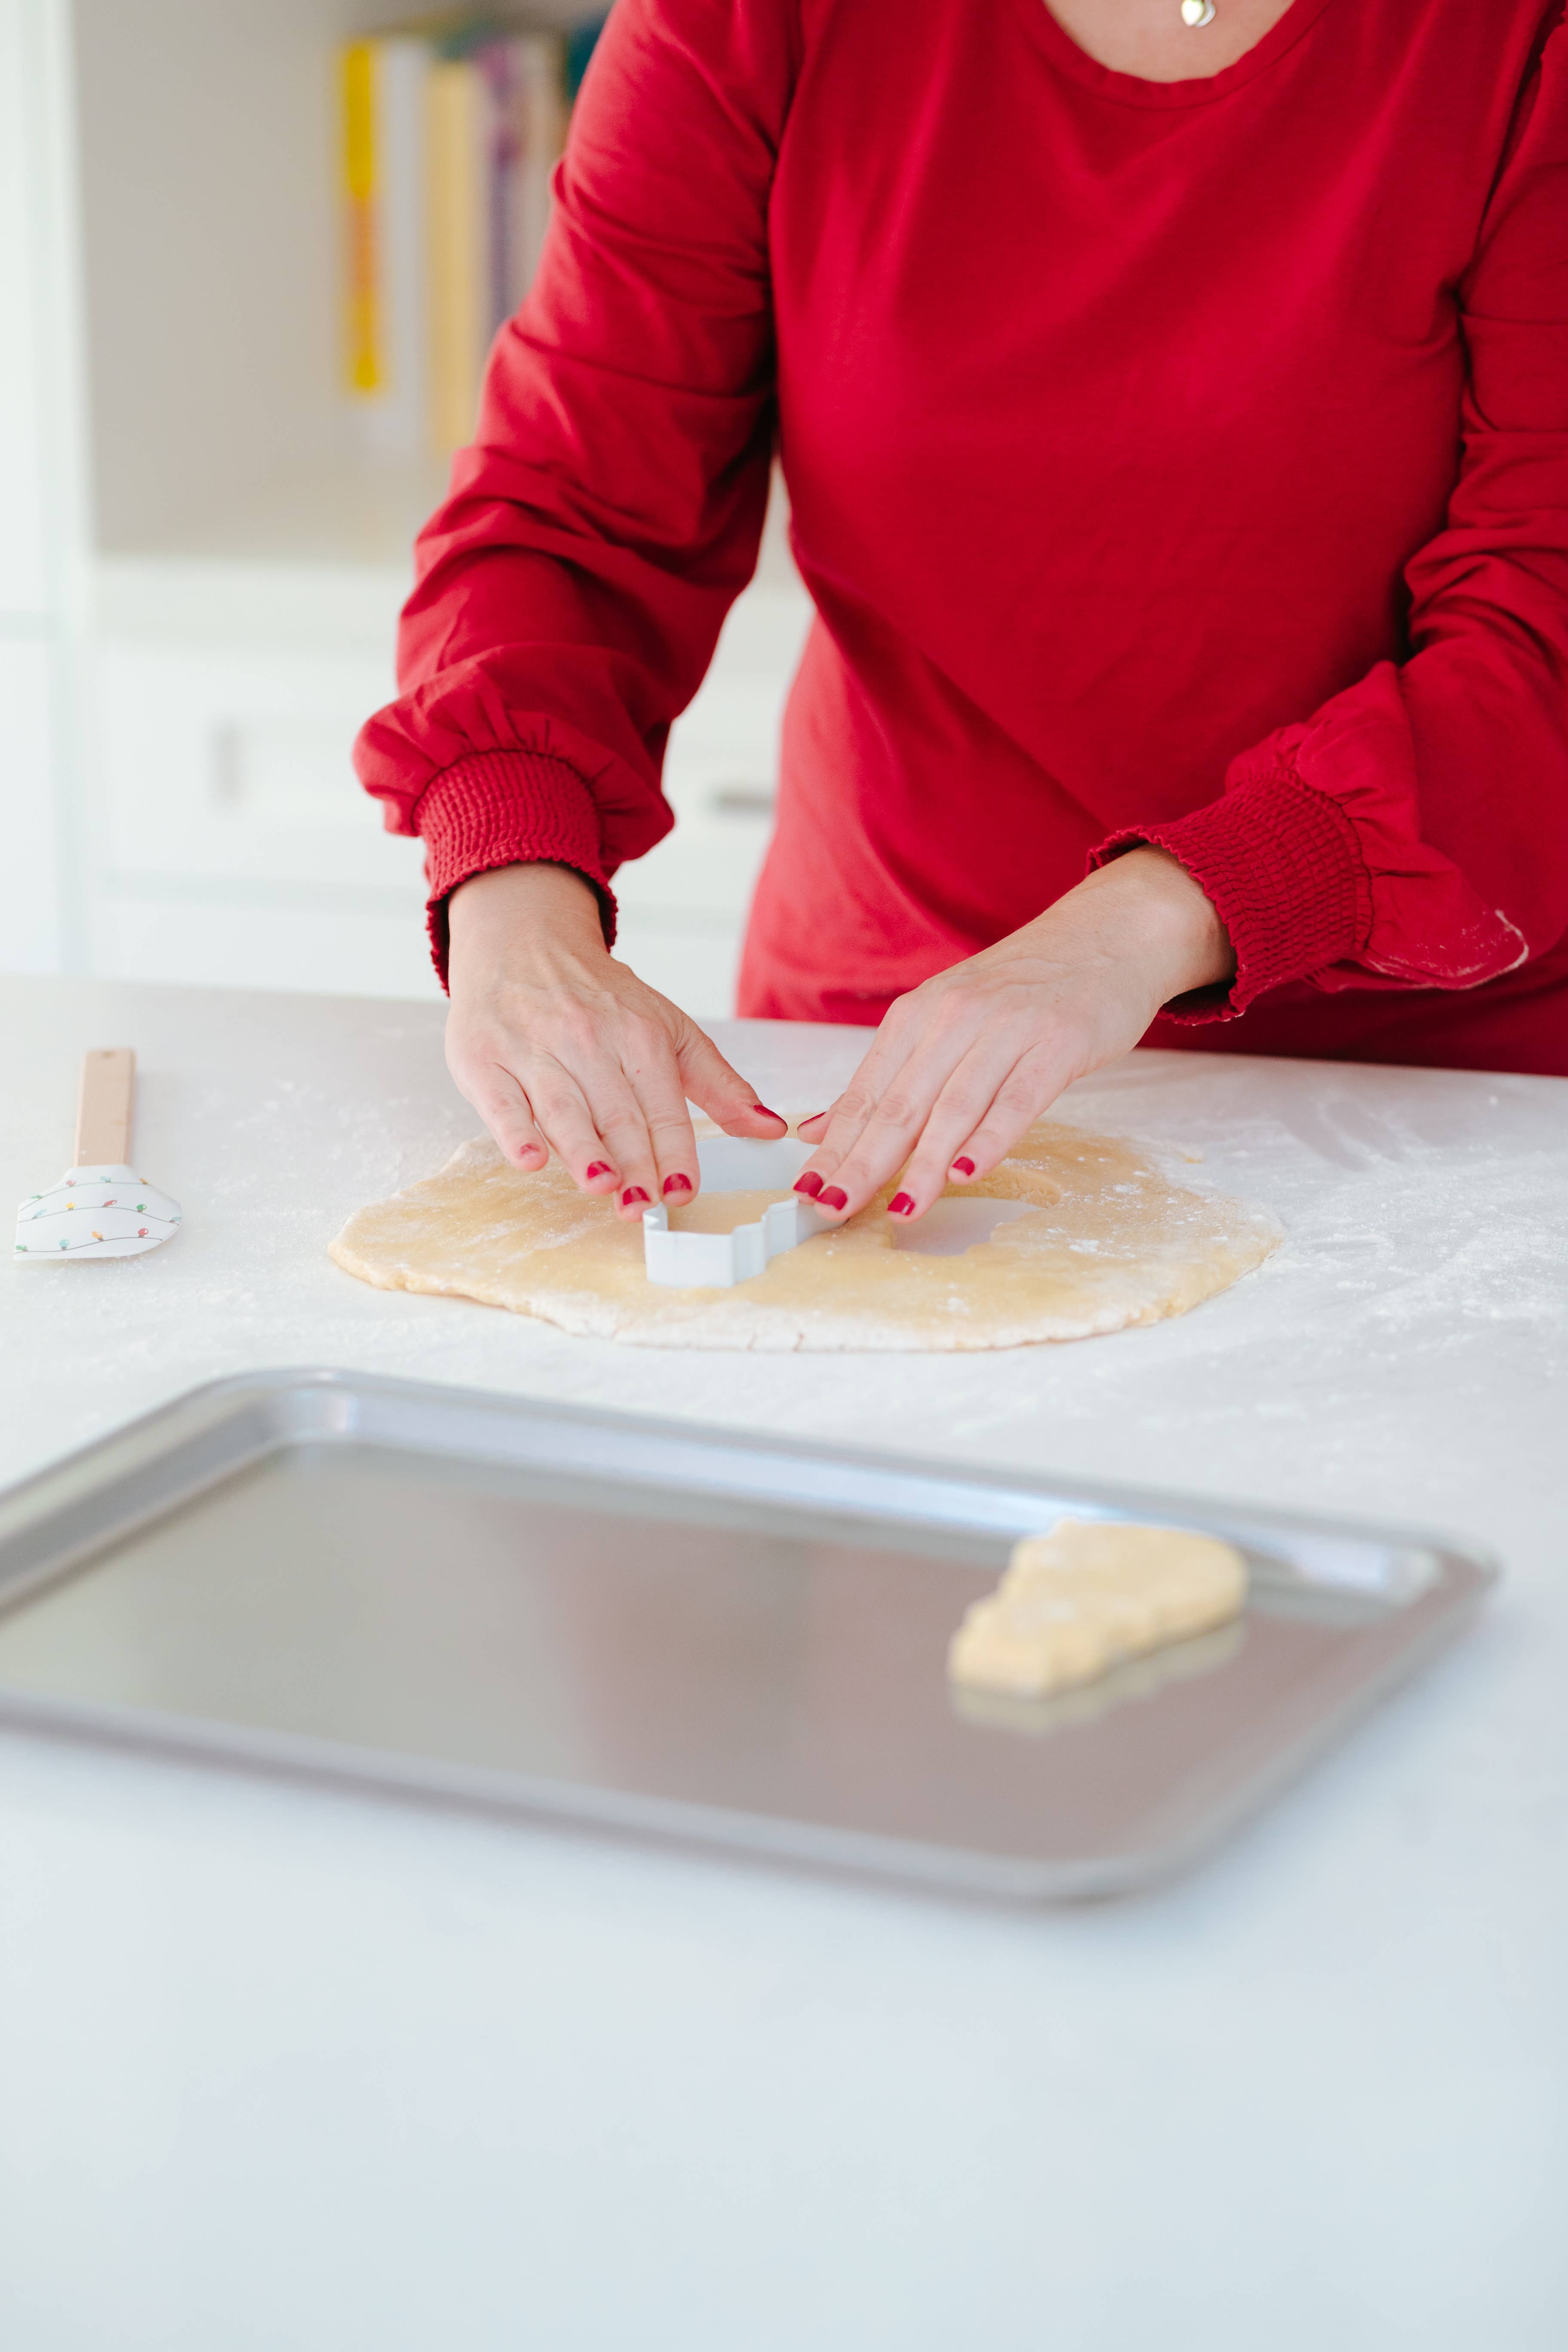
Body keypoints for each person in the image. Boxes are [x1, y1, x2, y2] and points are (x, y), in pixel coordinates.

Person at [355, 0, 1568, 1229]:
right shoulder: (746, 21)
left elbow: (1545, 635)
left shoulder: (1519, 44)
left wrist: (1151, 922)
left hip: (1444, 1071)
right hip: (875, 1045)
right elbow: (576, 506)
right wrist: (511, 890)